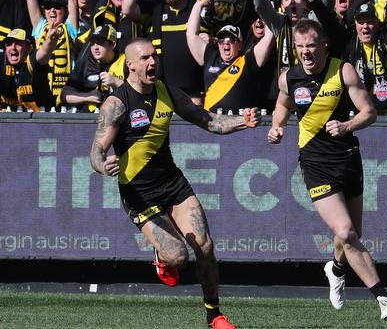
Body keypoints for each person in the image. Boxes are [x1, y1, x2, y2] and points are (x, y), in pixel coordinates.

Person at [89, 37, 261, 329]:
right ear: (129, 64)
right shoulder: (117, 104)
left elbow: (207, 120)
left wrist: (244, 121)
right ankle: (163, 255)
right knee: (178, 257)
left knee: (205, 246)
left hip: (173, 185)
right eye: (144, 58)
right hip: (139, 194)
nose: (152, 62)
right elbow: (95, 152)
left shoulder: (166, 92)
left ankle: (214, 315)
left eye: (154, 56)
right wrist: (104, 166)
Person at [267, 18, 387, 321]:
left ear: (323, 44)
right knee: (345, 231)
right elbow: (283, 106)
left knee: (353, 233)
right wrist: (276, 127)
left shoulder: (343, 70)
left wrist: (347, 124)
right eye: (300, 48)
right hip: (315, 163)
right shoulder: (289, 78)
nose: (306, 53)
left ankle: (336, 269)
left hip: (347, 158)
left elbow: (369, 112)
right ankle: (382, 297)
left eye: (311, 46)